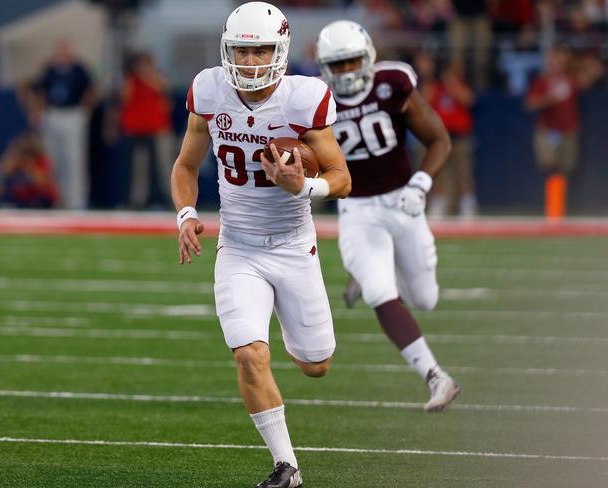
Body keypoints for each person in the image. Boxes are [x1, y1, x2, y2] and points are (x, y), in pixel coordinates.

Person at [171, 3, 350, 487]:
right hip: (239, 247)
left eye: (261, 51)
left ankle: (296, 335)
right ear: (228, 51)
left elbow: (342, 178)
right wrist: (186, 214)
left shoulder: (302, 98)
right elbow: (185, 166)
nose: (250, 62)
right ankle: (286, 467)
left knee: (316, 365)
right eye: (243, 50)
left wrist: (302, 187)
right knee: (249, 355)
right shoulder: (209, 90)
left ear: (281, 51)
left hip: (294, 245)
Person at [316, 20, 460, 412]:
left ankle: (371, 265)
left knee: (425, 298)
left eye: (351, 62)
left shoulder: (393, 83)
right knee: (381, 293)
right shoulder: (317, 100)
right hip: (358, 209)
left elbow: (439, 140)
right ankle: (436, 376)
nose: (345, 72)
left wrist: (421, 185)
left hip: (402, 201)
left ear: (367, 58)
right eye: (337, 64)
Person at [525, 45, 604, 219]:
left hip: (568, 130)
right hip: (549, 130)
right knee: (548, 163)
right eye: (554, 60)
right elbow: (530, 104)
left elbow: (593, 74)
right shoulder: (543, 81)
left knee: (566, 168)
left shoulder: (570, 79)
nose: (557, 64)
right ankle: (553, 209)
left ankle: (559, 209)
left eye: (560, 60)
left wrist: (579, 62)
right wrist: (549, 99)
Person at [414, 53, 477, 218]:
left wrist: (452, 83)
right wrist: (429, 78)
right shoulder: (435, 86)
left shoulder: (461, 85)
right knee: (437, 173)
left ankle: (467, 206)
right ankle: (438, 204)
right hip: (440, 138)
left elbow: (468, 100)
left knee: (463, 173)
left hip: (459, 136)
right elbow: (424, 104)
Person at [34, 40, 94, 209]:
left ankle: (76, 201)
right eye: (60, 51)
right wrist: (38, 111)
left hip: (73, 114)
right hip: (53, 113)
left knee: (74, 159)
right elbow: (36, 89)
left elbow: (91, 90)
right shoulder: (50, 69)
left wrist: (85, 110)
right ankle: (56, 198)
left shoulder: (79, 69)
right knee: (53, 159)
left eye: (66, 51)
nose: (63, 54)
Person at [120, 52, 174, 209]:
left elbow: (163, 90)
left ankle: (172, 198)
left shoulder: (156, 77)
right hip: (138, 129)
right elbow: (125, 97)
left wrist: (147, 74)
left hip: (158, 127)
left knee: (165, 165)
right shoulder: (132, 80)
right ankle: (138, 200)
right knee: (139, 167)